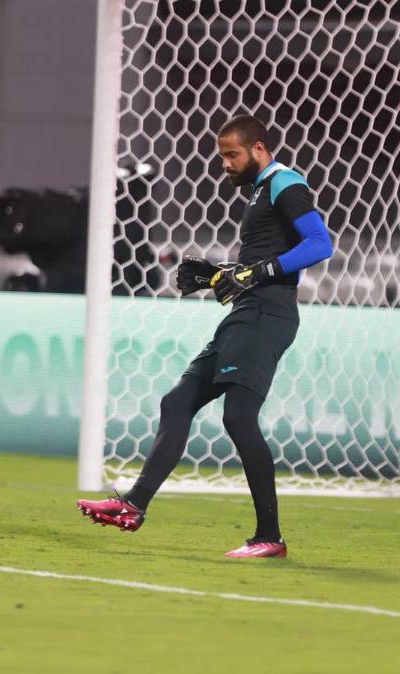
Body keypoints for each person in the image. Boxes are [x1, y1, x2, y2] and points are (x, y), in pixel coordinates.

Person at [77, 115, 333, 559]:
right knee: (177, 402)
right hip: (247, 312)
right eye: (222, 157)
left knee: (238, 418)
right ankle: (133, 504)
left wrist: (259, 271)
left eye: (232, 155)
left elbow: (319, 243)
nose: (226, 165)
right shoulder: (259, 191)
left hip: (266, 315)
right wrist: (223, 275)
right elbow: (260, 262)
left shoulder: (284, 182)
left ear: (258, 149)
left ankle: (268, 536)